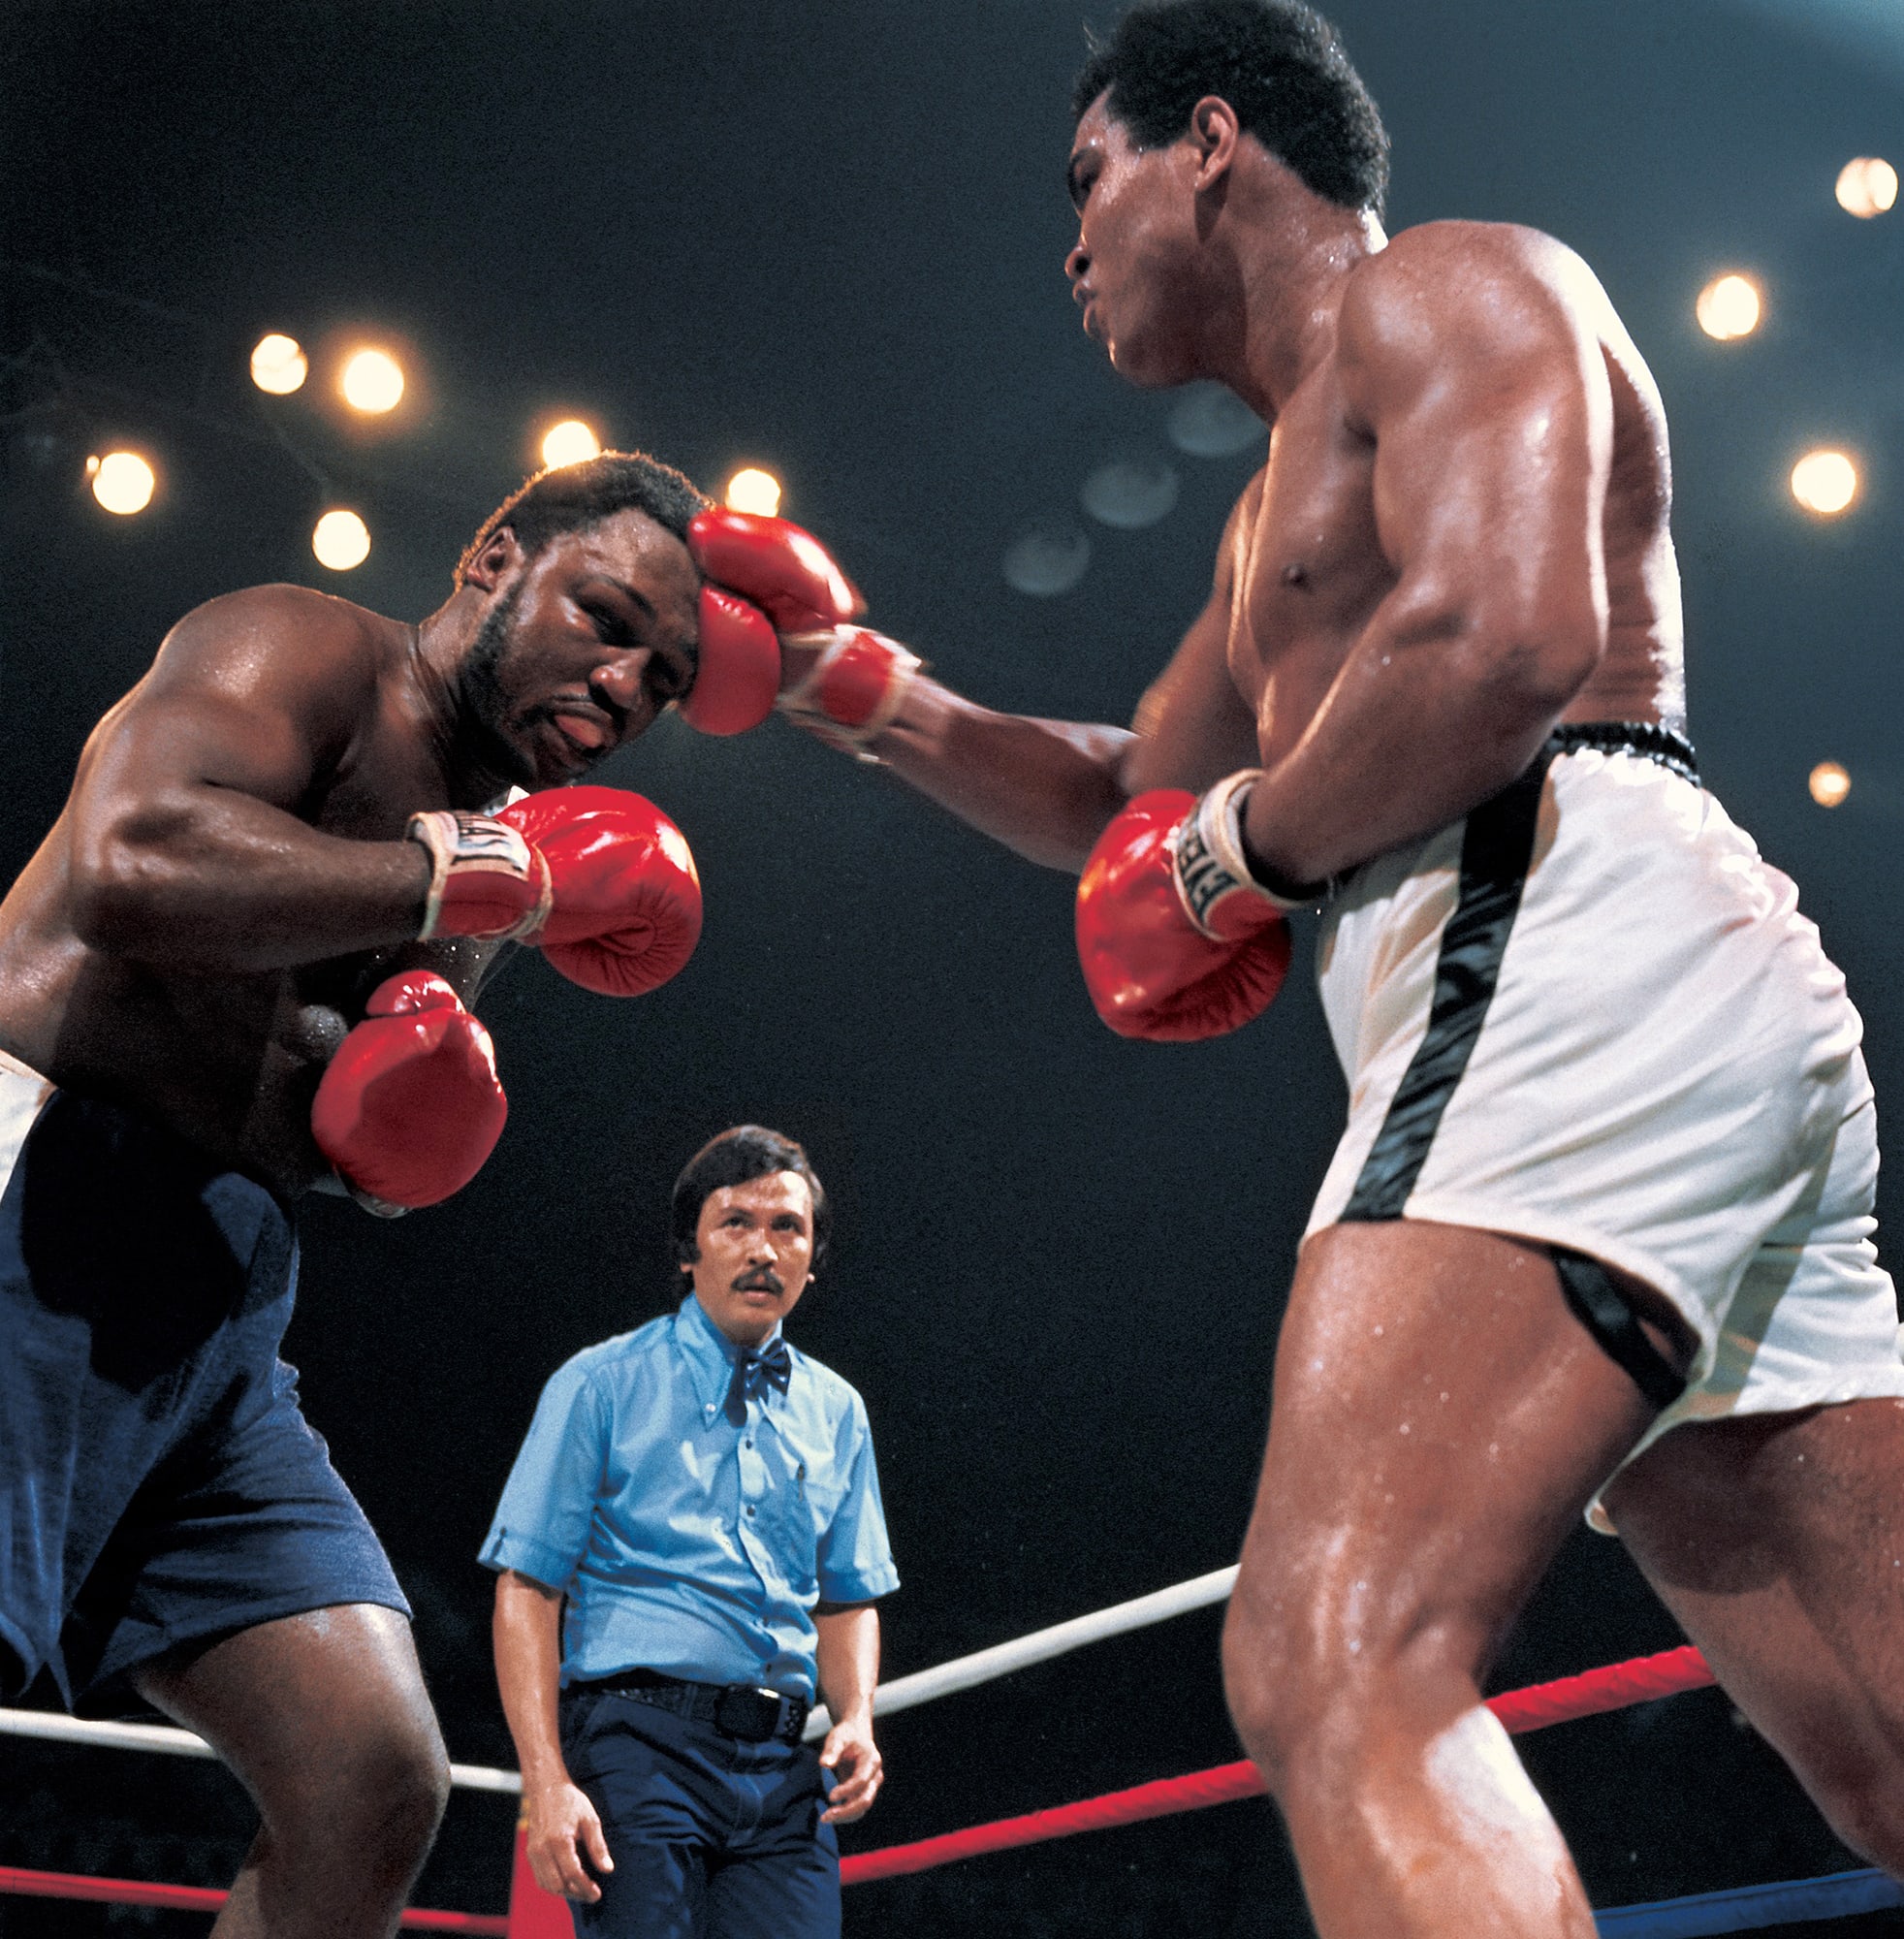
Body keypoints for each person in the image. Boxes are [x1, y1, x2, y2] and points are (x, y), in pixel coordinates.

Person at [684, 3, 1904, 1931]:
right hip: (1635, 990)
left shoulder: (1452, 286)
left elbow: (1506, 643)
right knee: (1874, 1749)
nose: (1068, 242)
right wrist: (866, 698)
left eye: (1087, 179)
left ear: (1208, 147)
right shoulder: (1264, 528)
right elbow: (1124, 797)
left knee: (1333, 1659)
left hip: (1552, 924)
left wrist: (1243, 851)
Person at [0, 451, 778, 1939]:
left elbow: (305, 1087)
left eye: (662, 682)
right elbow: (130, 857)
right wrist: (466, 875)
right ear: (495, 559)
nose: (621, 686)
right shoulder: (301, 646)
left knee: (372, 1779)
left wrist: (394, 1138)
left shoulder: (507, 856)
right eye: (604, 619)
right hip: (42, 1191)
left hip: (217, 1298)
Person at [485, 1124, 896, 1939]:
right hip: (636, 1748)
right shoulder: (600, 1385)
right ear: (689, 1251)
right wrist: (547, 1781)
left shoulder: (838, 1410)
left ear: (814, 1260)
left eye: (788, 1228)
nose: (764, 1249)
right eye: (735, 1223)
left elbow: (848, 1596)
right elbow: (528, 1587)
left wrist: (856, 1717)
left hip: (784, 1763)